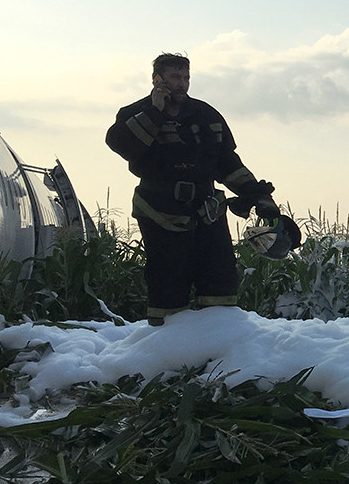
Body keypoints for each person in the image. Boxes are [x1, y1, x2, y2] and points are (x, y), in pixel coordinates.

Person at [106, 53, 279, 326]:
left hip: (208, 211)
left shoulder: (206, 114)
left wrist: (257, 194)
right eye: (175, 77)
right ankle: (168, 344)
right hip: (160, 211)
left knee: (220, 280)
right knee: (168, 285)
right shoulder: (135, 113)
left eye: (186, 77)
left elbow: (226, 162)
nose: (182, 84)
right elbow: (122, 145)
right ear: (157, 79)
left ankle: (218, 339)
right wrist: (155, 112)